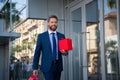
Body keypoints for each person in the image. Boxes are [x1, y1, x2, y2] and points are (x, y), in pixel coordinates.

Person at [32, 15, 68, 80]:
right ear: (48, 23)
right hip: (47, 66)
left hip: (58, 66)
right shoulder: (41, 36)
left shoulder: (61, 36)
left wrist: (64, 52)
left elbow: (65, 53)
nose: (54, 24)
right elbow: (37, 53)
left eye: (55, 22)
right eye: (52, 22)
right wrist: (35, 67)